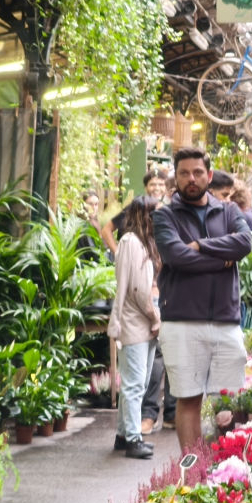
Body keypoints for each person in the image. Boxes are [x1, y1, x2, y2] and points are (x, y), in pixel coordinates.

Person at [153, 147, 252, 450]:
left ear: (208, 175)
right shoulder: (165, 215)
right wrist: (222, 259)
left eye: (197, 172)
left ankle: (228, 466)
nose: (191, 179)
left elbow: (244, 242)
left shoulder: (229, 211)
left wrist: (200, 246)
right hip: (182, 322)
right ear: (176, 177)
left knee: (230, 402)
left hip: (225, 321)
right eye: (184, 173)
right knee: (189, 399)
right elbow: (176, 257)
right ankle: (194, 470)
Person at [106, 196, 161, 460]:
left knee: (137, 381)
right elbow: (139, 290)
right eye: (156, 214)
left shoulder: (141, 242)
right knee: (134, 384)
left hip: (142, 322)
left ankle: (123, 435)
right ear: (144, 216)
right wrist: (154, 316)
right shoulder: (131, 242)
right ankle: (133, 439)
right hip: (135, 321)